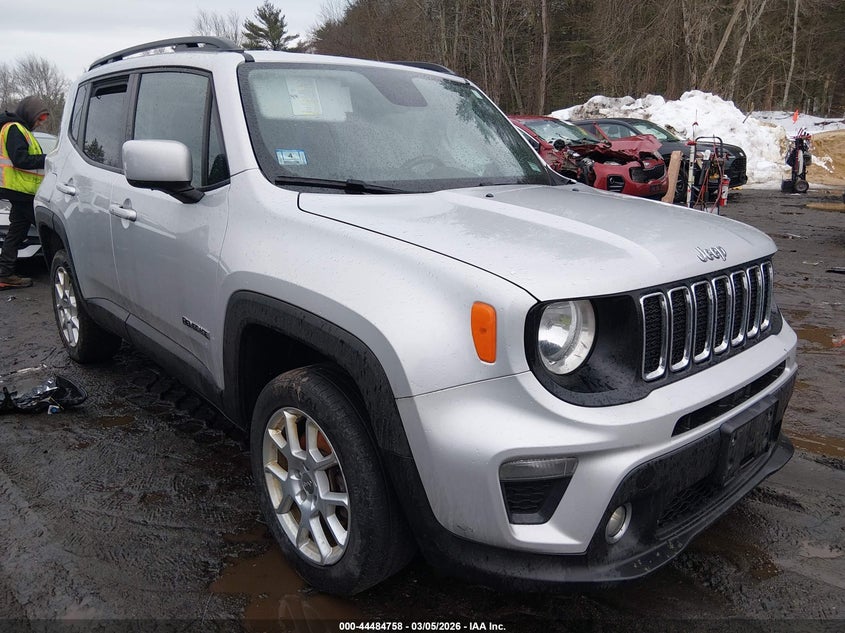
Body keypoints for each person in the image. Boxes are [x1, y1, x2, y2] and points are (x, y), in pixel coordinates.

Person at [0, 96, 49, 290]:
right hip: (21, 190)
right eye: (39, 119)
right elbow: (20, 159)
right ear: (30, 114)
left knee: (16, 231)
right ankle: (67, 270)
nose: (39, 124)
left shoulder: (19, 129)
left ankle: (4, 274)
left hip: (19, 190)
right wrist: (47, 160)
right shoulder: (14, 129)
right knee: (50, 228)